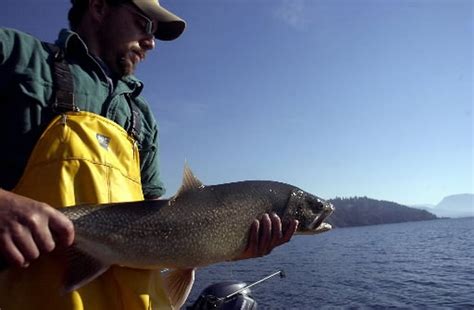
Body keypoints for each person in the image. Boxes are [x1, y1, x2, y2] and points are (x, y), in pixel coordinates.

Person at [0, 0, 298, 309]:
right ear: (100, 7)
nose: (151, 42)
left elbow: (160, 222)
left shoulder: (141, 116)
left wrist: (226, 244)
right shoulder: (17, 56)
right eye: (144, 24)